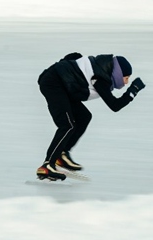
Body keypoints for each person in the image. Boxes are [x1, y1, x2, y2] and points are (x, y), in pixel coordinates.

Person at [36, 53, 146, 181]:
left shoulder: (99, 68)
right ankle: (48, 165)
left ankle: (62, 154)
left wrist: (67, 67)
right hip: (54, 84)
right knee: (67, 125)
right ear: (118, 73)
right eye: (126, 78)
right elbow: (115, 106)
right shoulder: (100, 78)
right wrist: (133, 90)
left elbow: (73, 57)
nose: (126, 83)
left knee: (84, 116)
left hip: (63, 85)